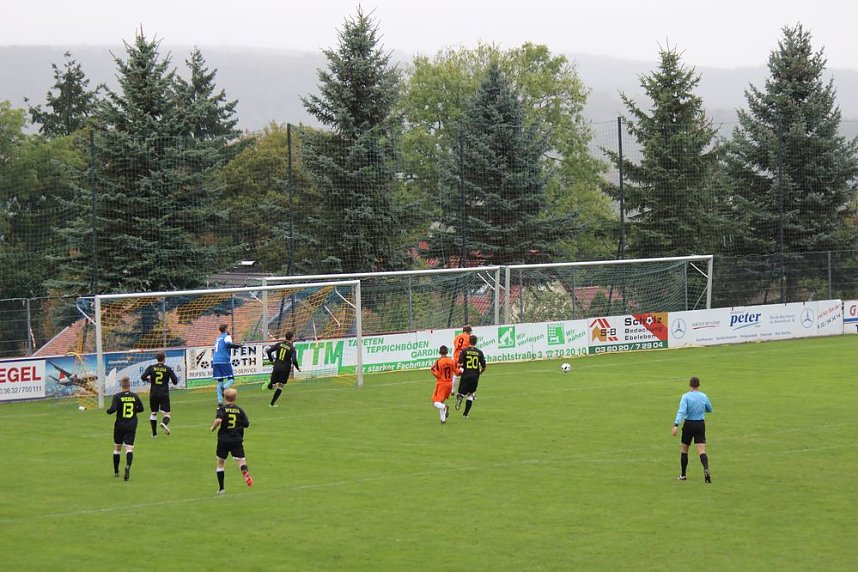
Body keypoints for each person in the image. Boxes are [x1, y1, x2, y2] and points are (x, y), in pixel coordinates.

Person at [210, 387, 253, 494]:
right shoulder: (240, 410)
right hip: (236, 440)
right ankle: (244, 471)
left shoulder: (222, 409)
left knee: (220, 463)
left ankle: (221, 489)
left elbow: (219, 420)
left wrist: (213, 427)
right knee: (241, 461)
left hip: (223, 440)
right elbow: (246, 424)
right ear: (235, 398)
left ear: (225, 398)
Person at [672, 376, 713, 483]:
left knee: (684, 450)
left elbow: (681, 411)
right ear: (699, 385)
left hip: (689, 424)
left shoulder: (685, 397)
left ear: (690, 385)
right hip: (700, 424)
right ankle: (706, 469)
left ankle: (683, 475)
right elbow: (709, 408)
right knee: (701, 450)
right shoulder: (703, 396)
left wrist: (676, 424)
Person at [106, 376, 145, 481]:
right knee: (129, 448)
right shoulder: (135, 396)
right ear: (130, 385)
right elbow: (141, 409)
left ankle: (116, 471)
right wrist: (133, 411)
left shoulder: (117, 396)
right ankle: (128, 466)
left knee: (117, 448)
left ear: (121, 385)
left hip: (119, 425)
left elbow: (113, 409)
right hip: (131, 425)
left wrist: (108, 411)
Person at [141, 351, 179, 437]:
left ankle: (154, 434)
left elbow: (143, 377)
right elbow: (175, 381)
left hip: (153, 393)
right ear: (164, 359)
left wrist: (149, 380)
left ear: (157, 359)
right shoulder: (168, 369)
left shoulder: (151, 368)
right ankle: (164, 422)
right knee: (167, 413)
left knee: (153, 413)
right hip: (164, 393)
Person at [264, 331, 300, 408]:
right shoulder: (292, 348)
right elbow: (294, 360)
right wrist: (298, 368)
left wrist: (271, 360)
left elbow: (269, 351)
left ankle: (271, 383)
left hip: (276, 366)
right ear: (292, 338)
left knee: (272, 385)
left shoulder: (279, 344)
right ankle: (272, 404)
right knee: (280, 386)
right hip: (285, 369)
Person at [455, 334, 486, 418]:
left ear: (469, 341)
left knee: (461, 392)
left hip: (465, 374)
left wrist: (460, 366)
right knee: (471, 394)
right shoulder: (479, 352)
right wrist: (480, 373)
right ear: (476, 342)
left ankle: (460, 398)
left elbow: (460, 364)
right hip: (475, 376)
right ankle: (465, 414)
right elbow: (484, 366)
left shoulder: (464, 351)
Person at [213, 323, 242, 406]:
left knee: (220, 380)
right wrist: (237, 346)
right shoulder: (227, 336)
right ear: (225, 329)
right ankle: (224, 388)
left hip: (215, 360)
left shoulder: (218, 338)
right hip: (224, 360)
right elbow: (228, 344)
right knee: (231, 378)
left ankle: (219, 400)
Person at [430, 345, 457, 424]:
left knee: (435, 402)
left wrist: (432, 370)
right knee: (441, 401)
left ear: (439, 352)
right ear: (447, 352)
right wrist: (461, 370)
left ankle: (445, 407)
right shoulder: (452, 361)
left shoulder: (439, 361)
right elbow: (457, 373)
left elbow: (437, 375)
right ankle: (443, 420)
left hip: (441, 384)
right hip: (449, 384)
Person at [451, 325, 472, 395]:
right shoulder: (469, 337)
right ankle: (470, 392)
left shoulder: (457, 337)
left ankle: (452, 391)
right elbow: (470, 348)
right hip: (464, 357)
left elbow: (455, 345)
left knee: (456, 375)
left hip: (456, 357)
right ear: (468, 332)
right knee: (469, 375)